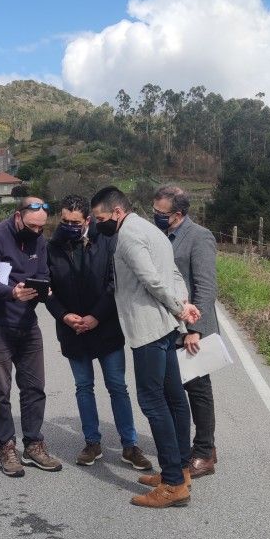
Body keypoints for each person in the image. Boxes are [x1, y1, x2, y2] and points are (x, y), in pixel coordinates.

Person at [90, 186, 200, 509]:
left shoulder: (127, 237)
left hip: (149, 329)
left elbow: (152, 280)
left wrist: (180, 308)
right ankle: (179, 469)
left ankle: (172, 483)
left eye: (100, 218)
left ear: (116, 213)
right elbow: (175, 274)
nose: (98, 224)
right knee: (174, 398)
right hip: (165, 326)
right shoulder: (153, 230)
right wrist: (181, 305)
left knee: (153, 402)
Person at [44, 195, 151, 471]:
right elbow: (47, 290)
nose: (68, 226)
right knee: (83, 387)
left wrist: (96, 316)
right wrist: (65, 316)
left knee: (117, 386)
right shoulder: (52, 247)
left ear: (87, 220)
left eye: (74, 222)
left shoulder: (108, 240)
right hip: (72, 329)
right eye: (64, 221)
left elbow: (114, 284)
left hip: (106, 327)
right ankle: (92, 442)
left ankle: (130, 445)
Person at [0, 196, 64, 477]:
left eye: (42, 228)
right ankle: (7, 446)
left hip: (27, 323)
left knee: (35, 387)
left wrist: (43, 290)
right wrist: (12, 292)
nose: (37, 232)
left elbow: (42, 272)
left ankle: (34, 444)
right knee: (1, 391)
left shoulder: (39, 240)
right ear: (18, 216)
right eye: (32, 226)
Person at [154, 185, 220, 479]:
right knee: (172, 389)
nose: (155, 215)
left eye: (161, 213)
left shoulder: (199, 237)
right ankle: (185, 446)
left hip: (190, 328)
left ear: (178, 214)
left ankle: (205, 452)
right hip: (168, 325)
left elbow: (206, 287)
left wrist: (195, 329)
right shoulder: (162, 236)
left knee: (198, 389)